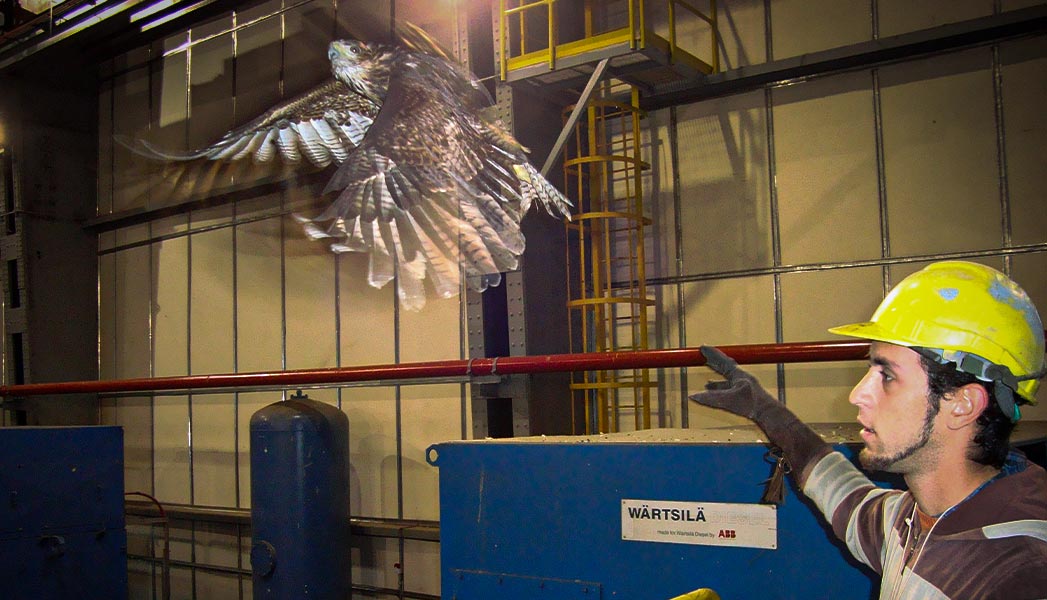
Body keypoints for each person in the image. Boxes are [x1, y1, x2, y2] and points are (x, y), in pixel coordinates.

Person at [690, 261, 1047, 599]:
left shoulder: (1017, 573)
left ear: (963, 404)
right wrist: (763, 409)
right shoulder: (912, 521)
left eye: (887, 376)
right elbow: (840, 489)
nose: (857, 394)